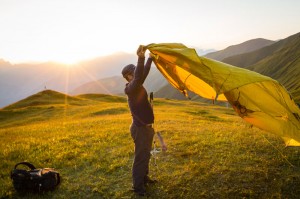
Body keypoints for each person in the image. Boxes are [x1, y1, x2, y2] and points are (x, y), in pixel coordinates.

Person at [122, 45, 156, 196]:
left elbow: (144, 73)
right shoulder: (131, 88)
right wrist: (141, 57)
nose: (137, 73)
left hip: (146, 128)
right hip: (140, 129)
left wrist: (150, 58)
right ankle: (138, 187)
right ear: (129, 76)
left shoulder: (137, 83)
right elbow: (139, 76)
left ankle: (144, 178)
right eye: (134, 72)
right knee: (140, 158)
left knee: (145, 154)